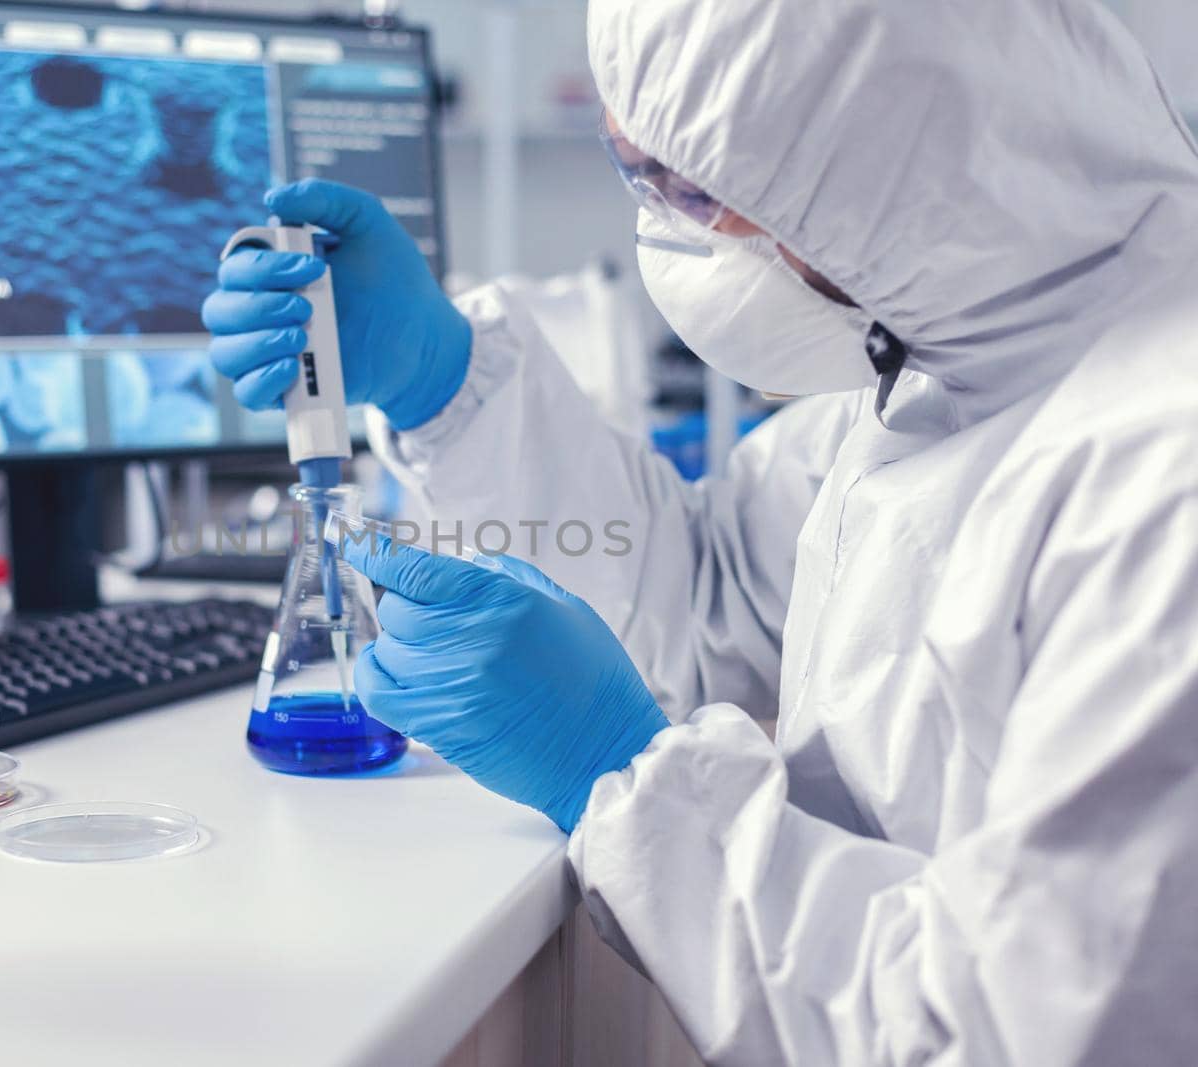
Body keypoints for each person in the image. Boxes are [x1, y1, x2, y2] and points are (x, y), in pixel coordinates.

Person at [203, 0, 1198, 1062]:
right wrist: (446, 383)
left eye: (687, 189)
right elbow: (714, 592)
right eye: (633, 176)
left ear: (895, 159)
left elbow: (1019, 1030)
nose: (662, 232)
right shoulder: (956, 358)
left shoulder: (1159, 483)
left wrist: (620, 771)